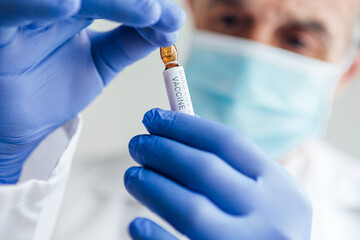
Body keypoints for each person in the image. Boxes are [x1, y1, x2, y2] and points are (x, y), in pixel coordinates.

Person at [0, 1, 357, 240]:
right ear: (195, 17)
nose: (252, 58)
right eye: (230, 20)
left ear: (346, 72)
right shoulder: (58, 192)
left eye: (298, 39)